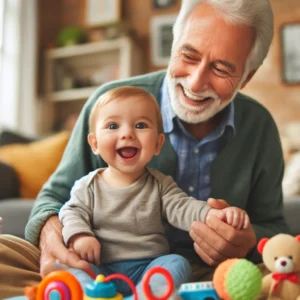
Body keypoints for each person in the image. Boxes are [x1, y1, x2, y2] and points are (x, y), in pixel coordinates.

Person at [0, 0, 289, 298]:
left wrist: (249, 239)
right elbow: (53, 201)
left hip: (199, 272)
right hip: (97, 264)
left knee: (284, 278)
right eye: (188, 55)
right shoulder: (107, 105)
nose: (196, 81)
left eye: (220, 68)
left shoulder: (259, 126)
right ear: (174, 43)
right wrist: (59, 240)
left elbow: (275, 228)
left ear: (247, 77)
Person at [57, 86, 250, 294]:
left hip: (149, 267)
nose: (127, 134)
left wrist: (214, 214)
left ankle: (145, 295)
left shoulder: (160, 185)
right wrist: (80, 237)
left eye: (140, 125)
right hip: (101, 269)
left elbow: (184, 207)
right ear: (94, 143)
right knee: (66, 266)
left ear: (158, 144)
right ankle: (93, 294)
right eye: (113, 126)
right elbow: (71, 212)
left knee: (177, 263)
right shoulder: (87, 186)